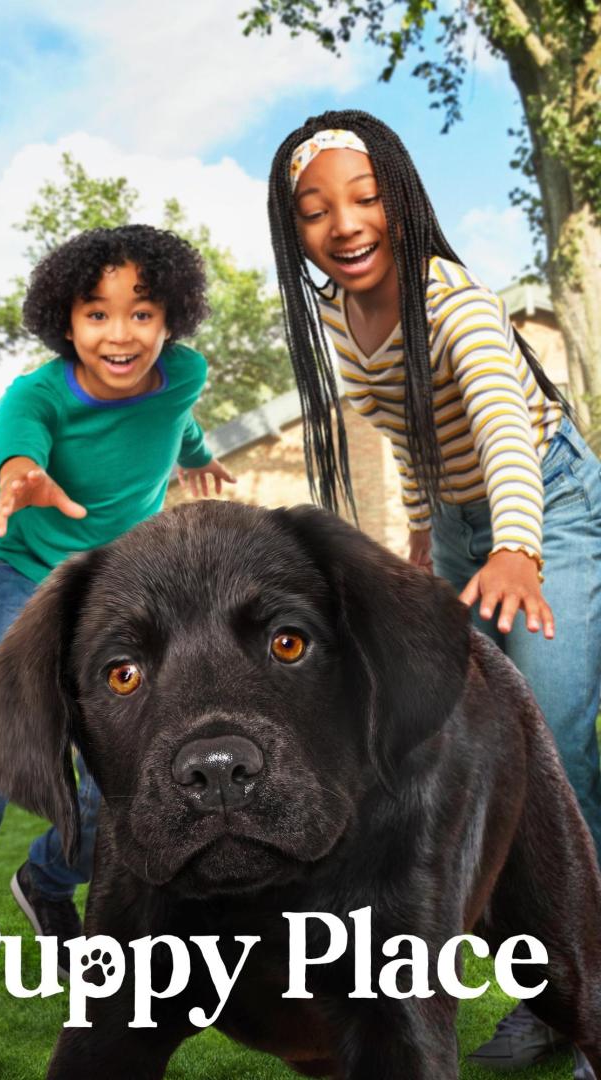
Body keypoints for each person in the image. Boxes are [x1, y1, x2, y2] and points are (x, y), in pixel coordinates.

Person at [267, 111, 601, 1077]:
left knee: (556, 753)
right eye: (316, 209)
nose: (346, 222)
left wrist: (520, 553)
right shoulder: (336, 315)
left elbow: (502, 427)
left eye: (366, 197)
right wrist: (423, 546)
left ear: (404, 200)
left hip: (550, 504)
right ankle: (545, 993)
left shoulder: (451, 298)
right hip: (462, 528)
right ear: (294, 229)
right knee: (453, 758)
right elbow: (412, 434)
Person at [0, 223, 235, 1010]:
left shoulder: (183, 374)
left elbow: (176, 418)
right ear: (65, 323)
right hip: (26, 577)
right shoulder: (36, 394)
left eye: (141, 314)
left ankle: (46, 879)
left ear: (170, 318)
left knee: (132, 760)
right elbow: (19, 439)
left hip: (114, 588)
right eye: (96, 314)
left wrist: (199, 459)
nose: (120, 335)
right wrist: (22, 472)